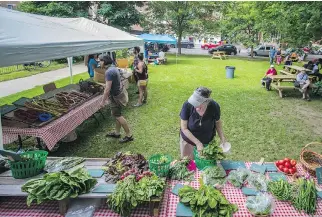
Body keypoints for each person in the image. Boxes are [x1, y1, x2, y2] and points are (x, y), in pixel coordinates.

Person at [179, 87, 226, 160]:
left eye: (198, 104)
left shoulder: (214, 106)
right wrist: (198, 143)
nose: (196, 107)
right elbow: (184, 128)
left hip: (207, 142)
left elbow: (218, 122)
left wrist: (222, 137)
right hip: (188, 142)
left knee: (205, 165)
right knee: (188, 164)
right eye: (194, 104)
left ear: (206, 101)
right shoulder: (187, 105)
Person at [99, 55, 134, 143]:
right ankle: (117, 133)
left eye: (100, 61)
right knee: (117, 114)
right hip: (119, 94)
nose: (99, 63)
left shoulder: (109, 72)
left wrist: (102, 102)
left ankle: (129, 135)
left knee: (118, 115)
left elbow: (107, 89)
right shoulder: (113, 68)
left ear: (104, 61)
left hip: (116, 97)